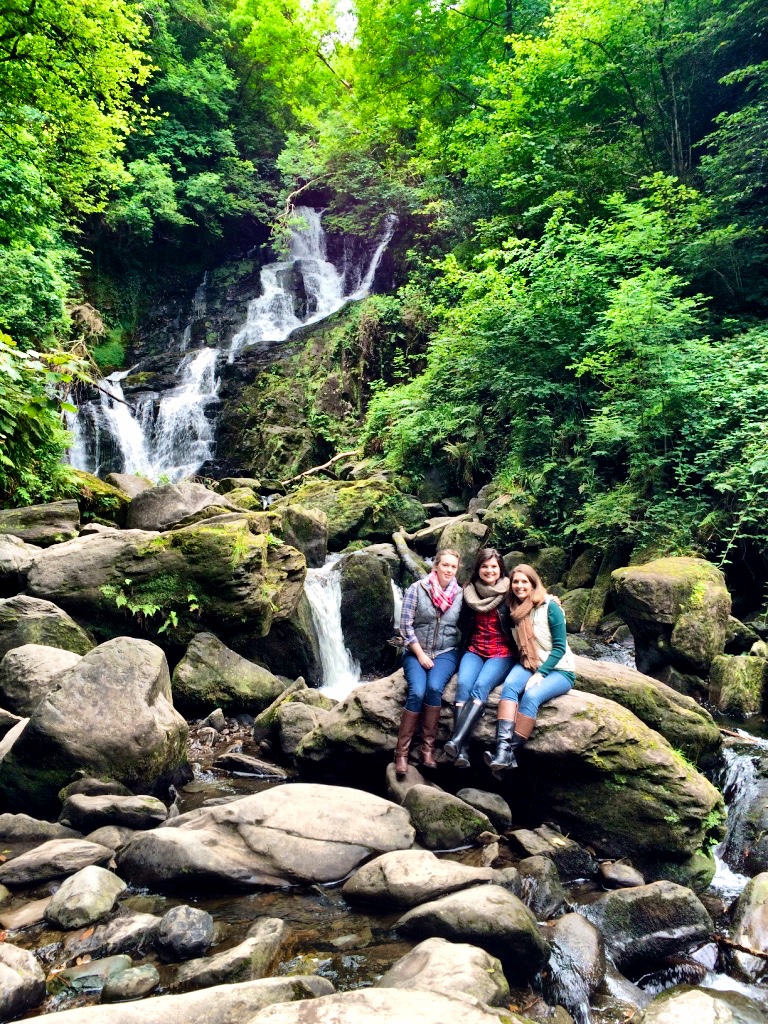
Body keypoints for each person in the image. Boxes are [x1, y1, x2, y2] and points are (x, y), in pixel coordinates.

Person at [485, 563, 574, 772]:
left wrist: (541, 674)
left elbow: (560, 648)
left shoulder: (550, 607)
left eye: (524, 581)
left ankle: (511, 753)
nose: (519, 586)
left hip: (560, 670)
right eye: (515, 582)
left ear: (534, 584)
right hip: (528, 662)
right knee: (509, 688)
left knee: (531, 696)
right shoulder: (512, 609)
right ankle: (502, 750)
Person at [443, 548, 516, 767]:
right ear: (478, 569)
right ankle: (462, 752)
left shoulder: (510, 591)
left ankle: (456, 741)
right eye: (485, 566)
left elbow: (533, 596)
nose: (489, 570)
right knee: (463, 684)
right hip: (474, 650)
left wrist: (552, 599)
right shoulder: (468, 592)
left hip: (501, 653)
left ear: (501, 569)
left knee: (481, 686)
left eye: (494, 566)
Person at [394, 548, 463, 776]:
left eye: (453, 567)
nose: (449, 570)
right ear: (436, 566)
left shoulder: (460, 594)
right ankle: (401, 754)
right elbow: (405, 626)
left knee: (434, 688)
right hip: (416, 651)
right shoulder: (417, 589)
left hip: (446, 652)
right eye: (445, 565)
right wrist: (420, 654)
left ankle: (427, 749)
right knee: (418, 691)